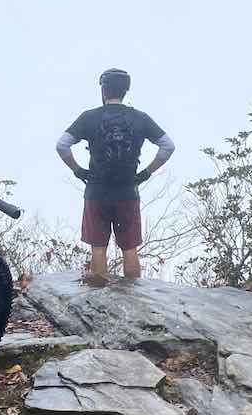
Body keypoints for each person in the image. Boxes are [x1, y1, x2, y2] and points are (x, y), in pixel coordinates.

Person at [56, 68, 175, 279]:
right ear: (126, 91)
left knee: (98, 247)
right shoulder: (141, 118)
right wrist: (146, 172)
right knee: (129, 248)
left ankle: (100, 302)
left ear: (103, 89)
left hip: (96, 192)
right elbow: (167, 146)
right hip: (127, 192)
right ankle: (133, 298)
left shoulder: (89, 117)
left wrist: (77, 170)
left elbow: (62, 145)